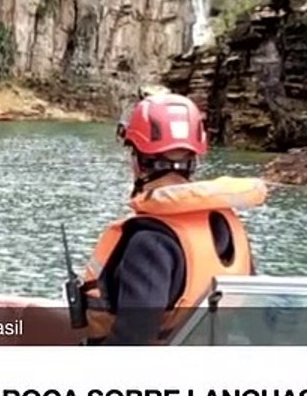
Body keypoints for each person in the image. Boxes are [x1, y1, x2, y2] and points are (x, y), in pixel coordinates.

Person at [79, 91, 264, 346]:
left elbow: (133, 341)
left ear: (138, 162)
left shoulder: (150, 243)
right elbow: (256, 319)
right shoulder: (230, 227)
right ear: (194, 160)